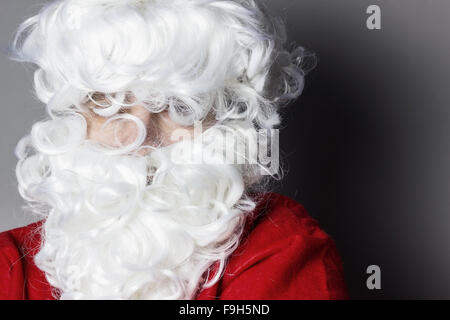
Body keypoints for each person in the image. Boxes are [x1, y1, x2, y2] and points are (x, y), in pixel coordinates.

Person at [0, 0, 348, 300]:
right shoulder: (9, 266)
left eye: (177, 106)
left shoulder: (279, 249)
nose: (135, 138)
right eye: (107, 104)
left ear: (227, 117)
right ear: (73, 116)